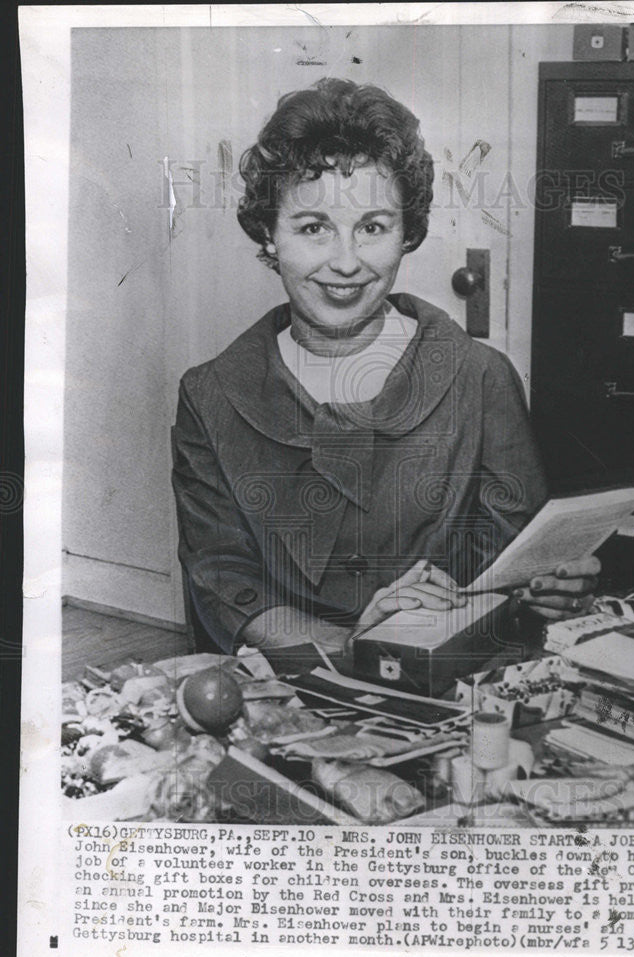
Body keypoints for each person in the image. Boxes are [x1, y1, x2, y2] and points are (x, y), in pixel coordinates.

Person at [172, 78, 600, 658]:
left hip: (450, 680)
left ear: (407, 235)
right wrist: (348, 643)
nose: (345, 263)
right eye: (312, 228)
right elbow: (222, 578)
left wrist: (546, 589)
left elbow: (509, 576)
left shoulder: (479, 376)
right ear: (269, 236)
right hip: (292, 685)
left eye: (372, 227)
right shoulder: (211, 395)